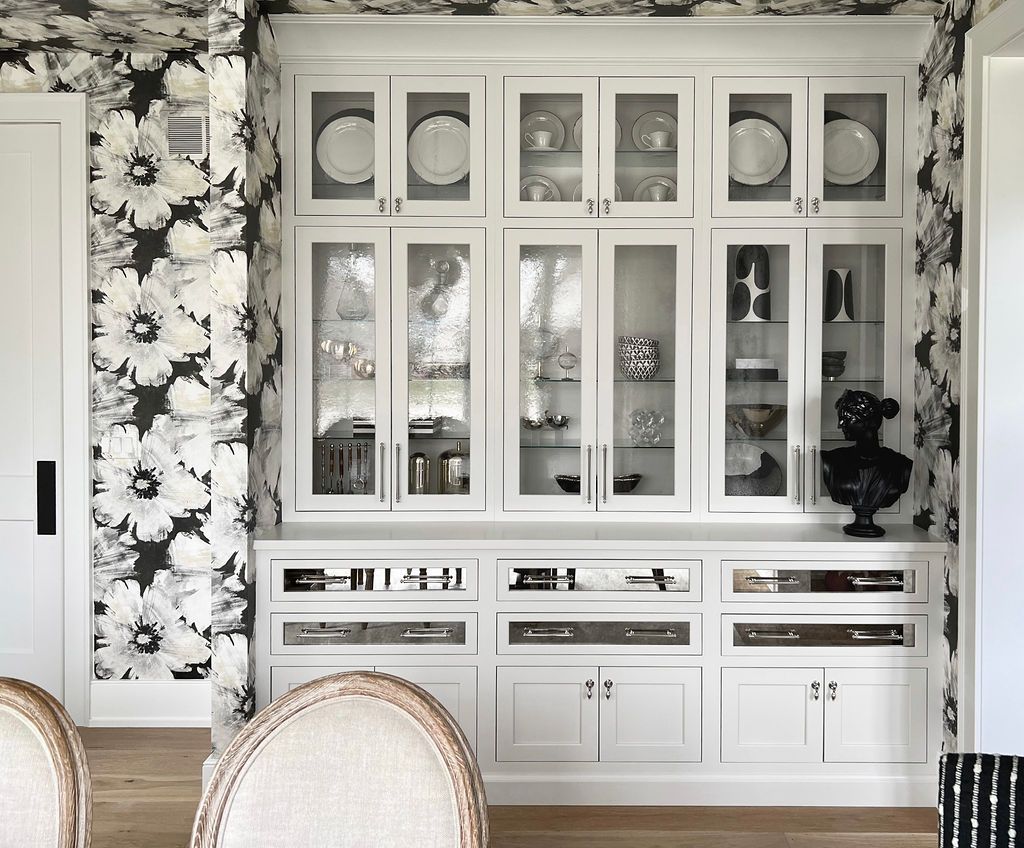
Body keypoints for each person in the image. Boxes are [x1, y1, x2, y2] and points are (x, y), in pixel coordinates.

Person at [821, 390, 912, 537]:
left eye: (847, 418)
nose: (840, 425)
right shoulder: (831, 460)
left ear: (869, 422)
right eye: (841, 419)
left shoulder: (901, 465)